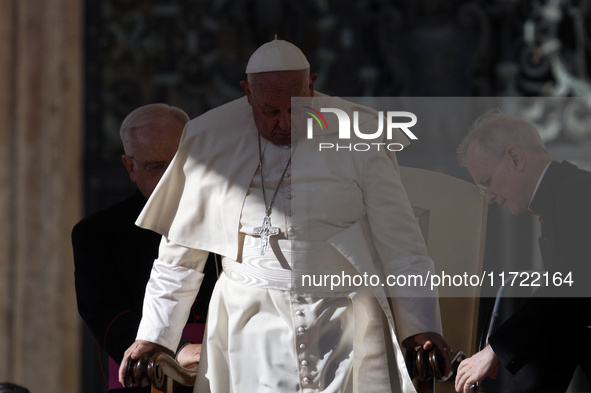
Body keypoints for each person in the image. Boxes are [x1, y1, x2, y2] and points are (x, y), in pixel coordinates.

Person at [119, 39, 451, 393]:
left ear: (312, 85)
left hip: (342, 321)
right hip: (248, 324)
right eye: (270, 111)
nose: (285, 123)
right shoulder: (207, 139)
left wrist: (420, 326)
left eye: (296, 108)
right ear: (248, 94)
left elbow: (401, 244)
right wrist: (153, 336)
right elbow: (179, 261)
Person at [72, 103, 219, 392]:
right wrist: (178, 349)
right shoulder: (98, 232)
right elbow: (110, 319)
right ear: (130, 167)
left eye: (178, 162)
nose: (170, 179)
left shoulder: (227, 212)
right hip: (150, 373)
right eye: (155, 167)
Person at [454, 111, 591, 393]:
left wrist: (494, 349)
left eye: (487, 182)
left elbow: (566, 292)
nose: (489, 199)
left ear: (515, 158)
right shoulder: (561, 197)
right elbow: (566, 324)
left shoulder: (578, 194)